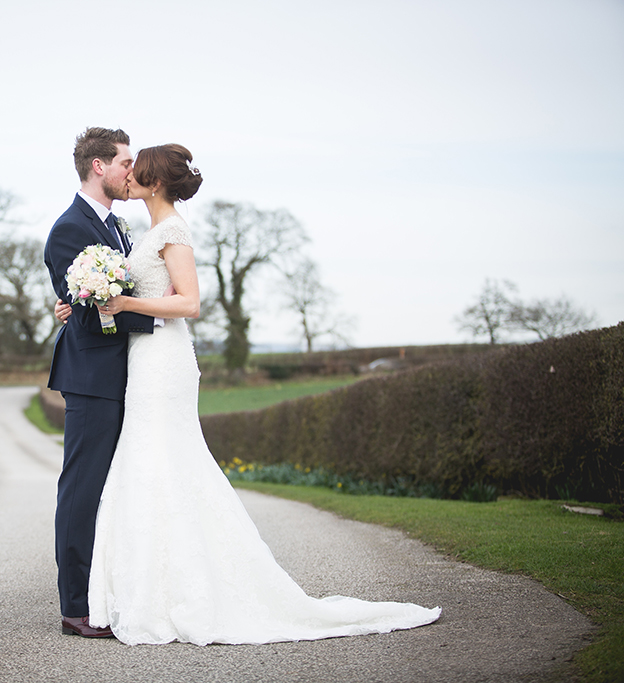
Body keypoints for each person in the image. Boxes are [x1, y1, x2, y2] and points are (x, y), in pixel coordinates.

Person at [57, 143, 441, 645]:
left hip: (163, 360)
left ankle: (176, 588)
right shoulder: (141, 230)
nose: (128, 176)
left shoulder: (171, 229)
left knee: (162, 460)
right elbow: (115, 295)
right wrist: (80, 305)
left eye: (137, 169)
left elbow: (189, 302)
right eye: (125, 166)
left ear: (154, 182)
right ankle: (142, 587)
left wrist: (120, 299)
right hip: (141, 358)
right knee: (147, 465)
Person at [43, 127, 155, 638]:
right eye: (125, 162)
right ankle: (75, 608)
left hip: (127, 374)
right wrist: (158, 315)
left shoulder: (118, 227)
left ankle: (112, 593)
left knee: (119, 487)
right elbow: (89, 317)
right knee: (83, 488)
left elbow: (102, 300)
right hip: (92, 378)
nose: (131, 171)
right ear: (99, 166)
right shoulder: (69, 230)